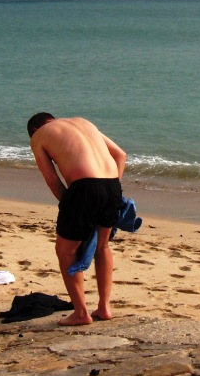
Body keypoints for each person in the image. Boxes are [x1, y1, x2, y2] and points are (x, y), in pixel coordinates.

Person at [27, 113, 126, 326]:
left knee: (65, 251)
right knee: (102, 246)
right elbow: (121, 155)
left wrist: (69, 205)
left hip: (84, 188)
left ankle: (81, 313)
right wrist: (110, 192)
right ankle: (104, 308)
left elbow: (52, 179)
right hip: (112, 185)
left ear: (34, 130)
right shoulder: (83, 122)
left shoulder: (38, 136)